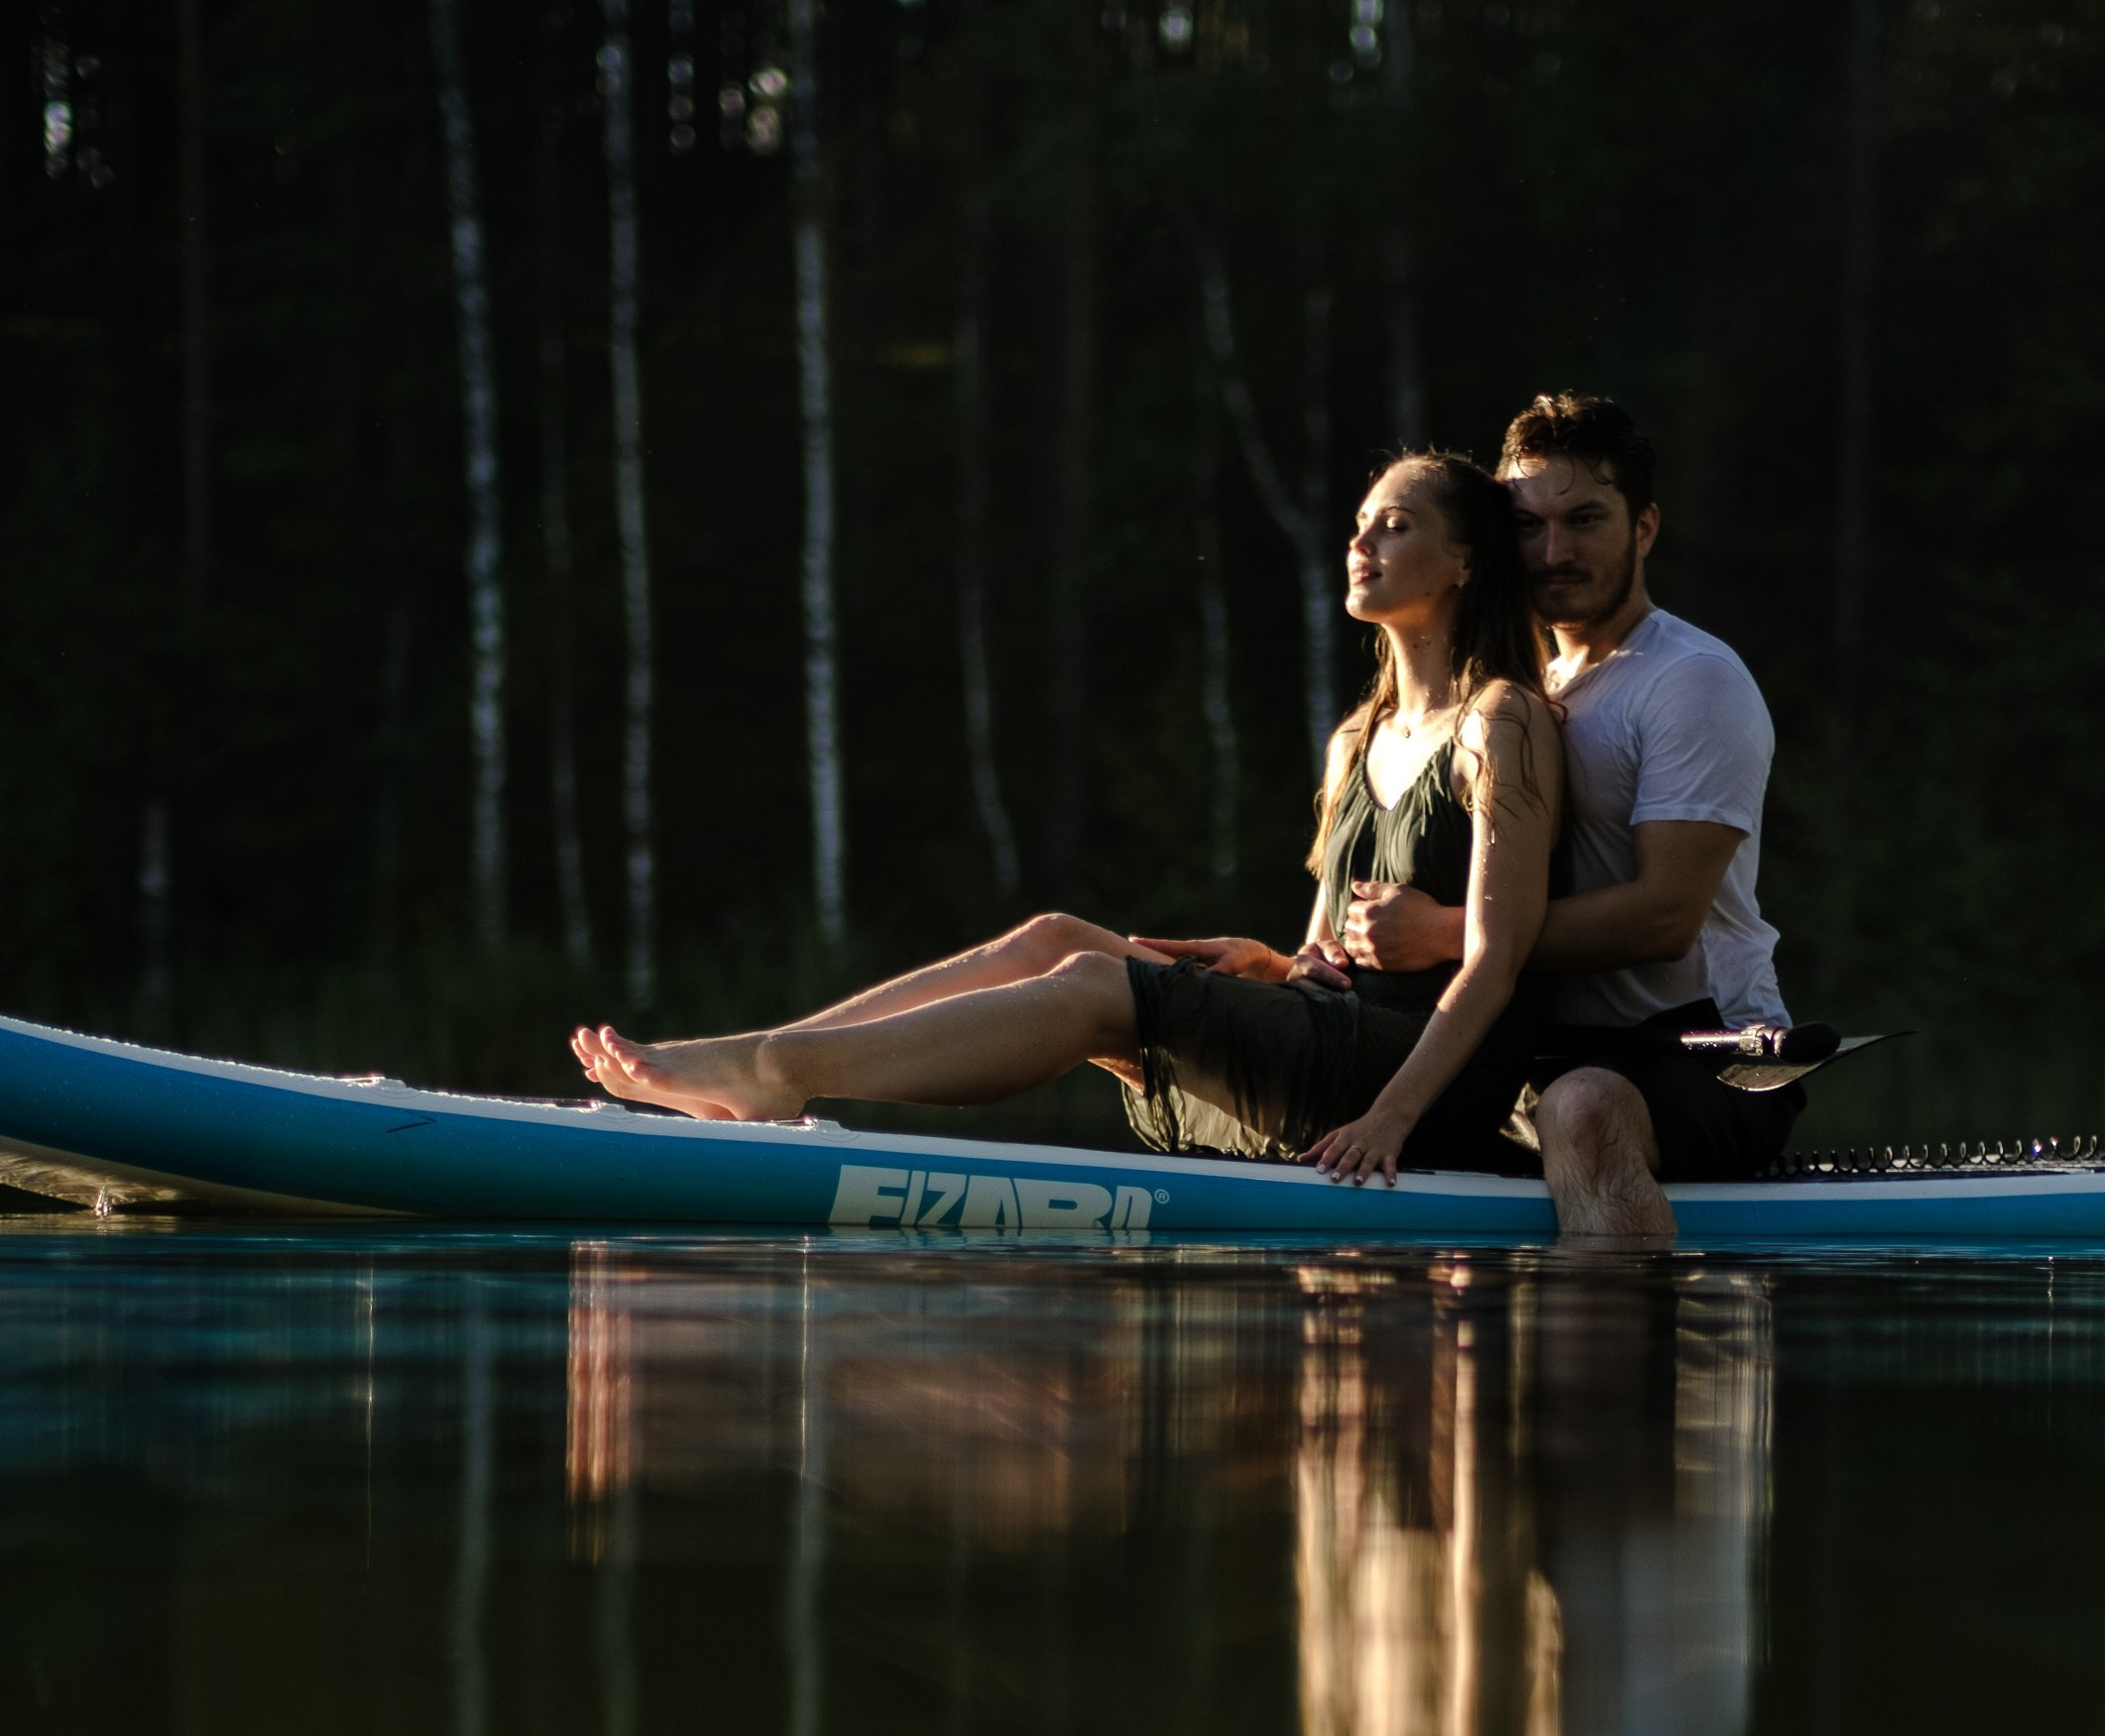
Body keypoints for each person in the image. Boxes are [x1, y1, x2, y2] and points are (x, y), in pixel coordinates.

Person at [570, 452, 1563, 1189]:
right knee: (1054, 936)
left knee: (1095, 983)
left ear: (1466, 563)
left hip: (1416, 1085)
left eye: (1393, 525)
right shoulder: (1358, 739)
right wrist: (1270, 966)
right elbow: (1319, 954)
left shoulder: (1503, 721)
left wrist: (1389, 1120)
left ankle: (779, 1071)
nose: (1361, 543)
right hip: (1324, 1041)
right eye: (1358, 523)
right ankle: (768, 1058)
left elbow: (1494, 965)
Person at [1326, 391, 1798, 1243]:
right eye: (1528, 525)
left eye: (1584, 520)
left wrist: (1445, 935)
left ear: (1644, 527)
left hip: (1714, 1051)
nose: (1552, 551)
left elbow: (1665, 917)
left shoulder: (1690, 680)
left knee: (1581, 1109)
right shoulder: (1513, 695)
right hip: (1535, 1048)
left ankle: (1618, 1366)